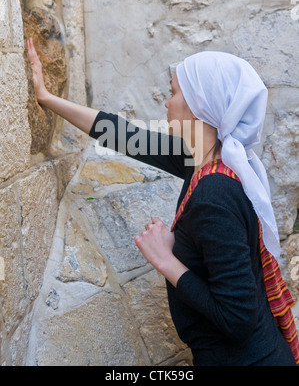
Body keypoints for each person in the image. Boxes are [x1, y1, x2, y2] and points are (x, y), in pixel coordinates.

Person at [27, 38, 298, 366]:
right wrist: (45, 97)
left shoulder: (214, 197)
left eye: (173, 93)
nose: (167, 104)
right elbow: (122, 135)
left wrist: (165, 260)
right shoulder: (200, 159)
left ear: (199, 105)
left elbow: (238, 320)